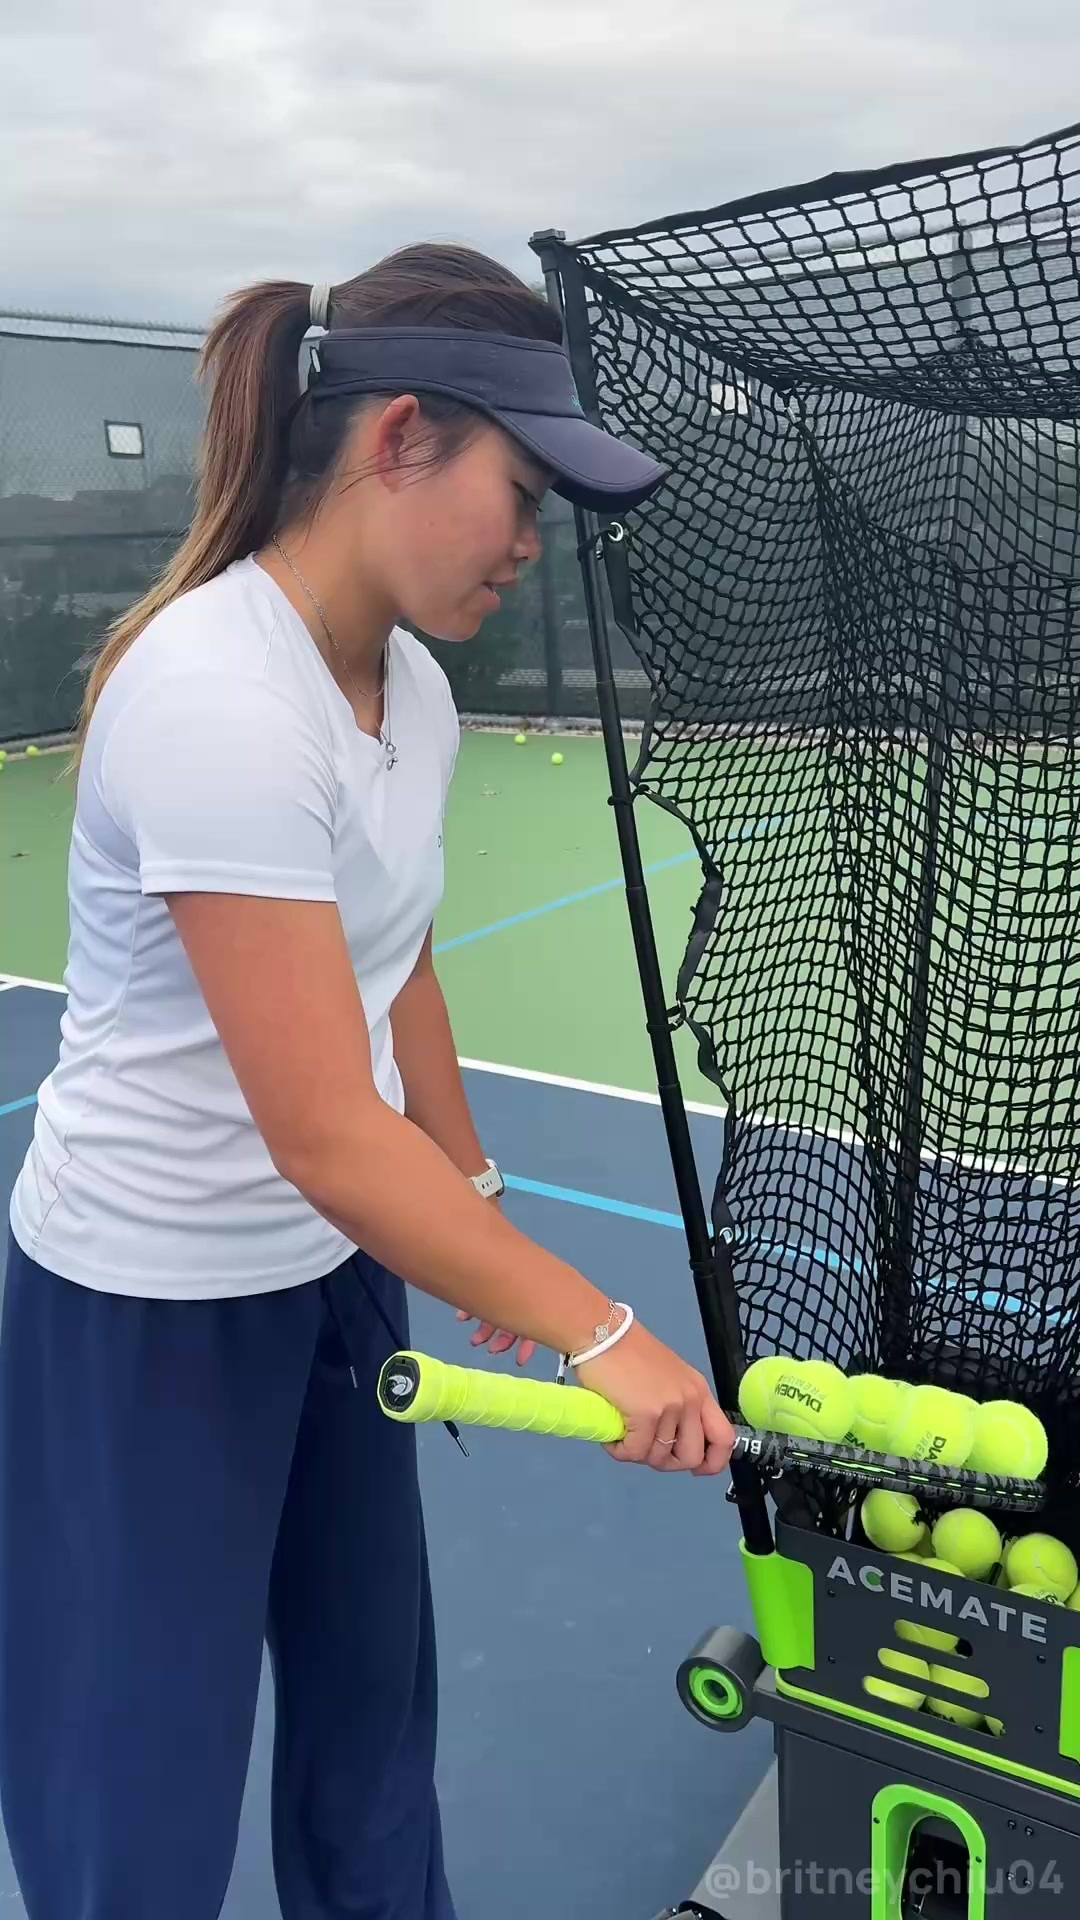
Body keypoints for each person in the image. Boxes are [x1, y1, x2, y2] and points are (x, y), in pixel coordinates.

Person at [0, 244, 734, 1920]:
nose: (530, 545)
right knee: (136, 1784)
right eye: (521, 493)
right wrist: (598, 1335)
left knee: (367, 1724)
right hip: (145, 1311)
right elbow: (326, 1130)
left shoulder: (409, 680)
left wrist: (465, 1198)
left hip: (327, 1289)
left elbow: (398, 959)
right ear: (401, 435)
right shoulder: (211, 696)